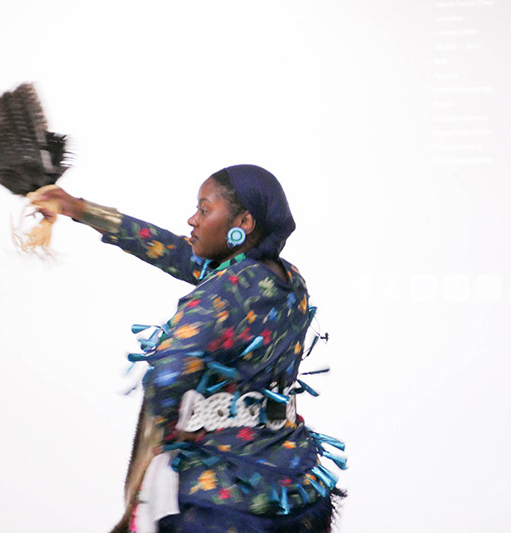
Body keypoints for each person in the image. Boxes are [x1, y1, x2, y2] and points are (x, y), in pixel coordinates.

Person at [33, 164, 346, 532]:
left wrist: (159, 449)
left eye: (204, 209)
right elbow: (173, 250)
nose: (192, 219)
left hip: (225, 502)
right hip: (293, 484)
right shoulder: (288, 279)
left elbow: (168, 375)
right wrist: (79, 208)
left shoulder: (224, 289)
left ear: (243, 222)